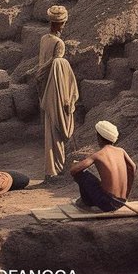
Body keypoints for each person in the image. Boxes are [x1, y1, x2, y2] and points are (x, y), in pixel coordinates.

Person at [70, 121, 137, 212]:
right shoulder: (121, 151)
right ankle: (119, 198)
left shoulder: (98, 155)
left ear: (99, 138)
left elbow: (74, 171)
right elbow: (132, 167)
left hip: (107, 204)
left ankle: (86, 203)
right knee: (97, 182)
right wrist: (126, 194)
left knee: (82, 174)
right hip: (121, 202)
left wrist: (75, 164)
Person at [37, 39, 78, 180]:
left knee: (53, 137)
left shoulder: (53, 63)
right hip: (60, 106)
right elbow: (72, 89)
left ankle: (53, 170)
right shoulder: (61, 64)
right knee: (59, 137)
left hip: (51, 105)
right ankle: (57, 169)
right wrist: (69, 103)